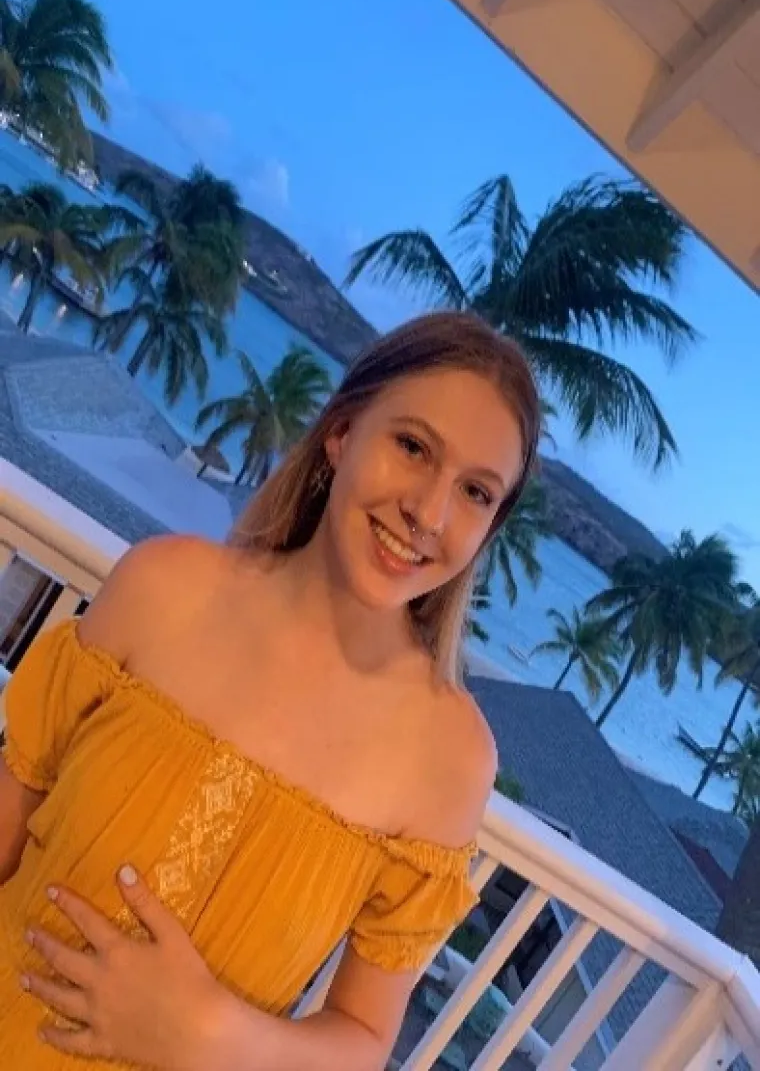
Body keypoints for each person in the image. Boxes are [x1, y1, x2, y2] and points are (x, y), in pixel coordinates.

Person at [0, 311, 540, 1070]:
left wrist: (211, 1035)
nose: (430, 511)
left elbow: (363, 1036)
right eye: (412, 446)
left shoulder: (449, 758)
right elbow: (9, 813)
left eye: (477, 492)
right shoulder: (165, 586)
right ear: (342, 432)